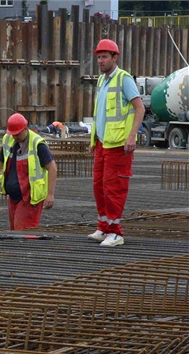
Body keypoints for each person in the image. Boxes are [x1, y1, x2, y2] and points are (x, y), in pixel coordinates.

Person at [87, 39, 145, 247]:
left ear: (115, 57)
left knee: (114, 187)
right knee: (99, 186)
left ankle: (116, 232)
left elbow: (140, 108)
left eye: (104, 57)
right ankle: (103, 226)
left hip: (119, 144)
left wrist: (131, 137)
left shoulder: (124, 79)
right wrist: (94, 138)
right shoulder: (102, 81)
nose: (100, 61)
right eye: (98, 57)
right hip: (103, 143)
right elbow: (100, 113)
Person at [0, 113, 57, 230]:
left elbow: (52, 168)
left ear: (25, 129)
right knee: (14, 230)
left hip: (29, 197)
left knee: (23, 232)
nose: (15, 137)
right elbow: (1, 158)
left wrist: (50, 195)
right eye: (13, 134)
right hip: (14, 197)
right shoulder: (9, 139)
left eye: (17, 134)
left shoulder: (37, 144)